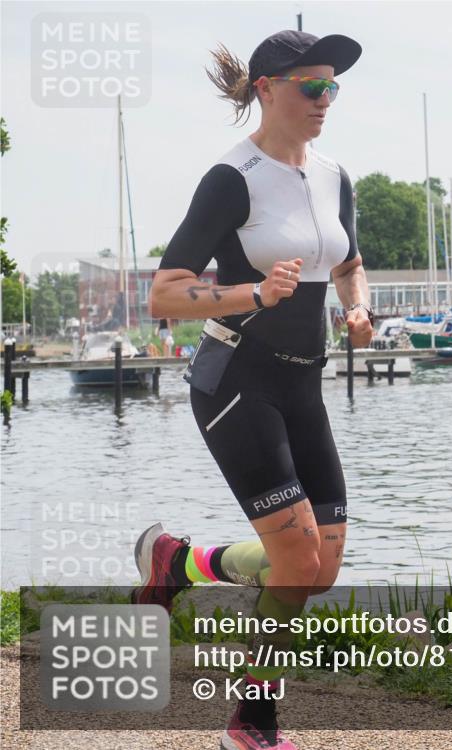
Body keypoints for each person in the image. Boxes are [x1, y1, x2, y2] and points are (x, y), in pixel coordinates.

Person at [132, 29, 374, 750]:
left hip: (305, 386)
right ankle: (252, 719)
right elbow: (166, 297)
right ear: (267, 90)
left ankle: (182, 562)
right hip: (236, 381)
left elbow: (350, 262)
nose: (325, 99)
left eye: (332, 86)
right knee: (296, 561)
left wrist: (355, 305)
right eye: (311, 87)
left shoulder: (335, 175)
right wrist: (251, 293)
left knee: (319, 568)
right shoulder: (230, 179)